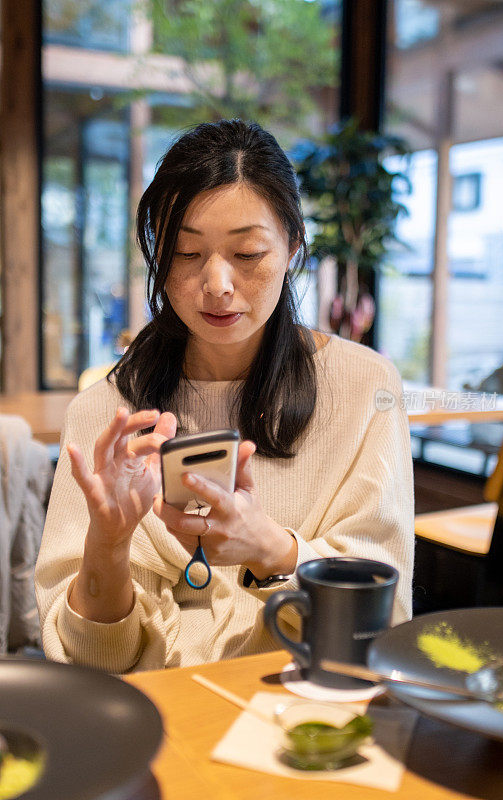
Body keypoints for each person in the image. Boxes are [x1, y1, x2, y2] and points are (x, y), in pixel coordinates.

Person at [35, 119, 414, 673]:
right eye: (187, 254)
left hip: (300, 708)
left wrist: (272, 550)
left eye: (247, 254)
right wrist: (109, 545)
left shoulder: (366, 390)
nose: (216, 284)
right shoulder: (104, 414)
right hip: (153, 719)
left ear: (292, 250)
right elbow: (89, 662)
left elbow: (383, 619)